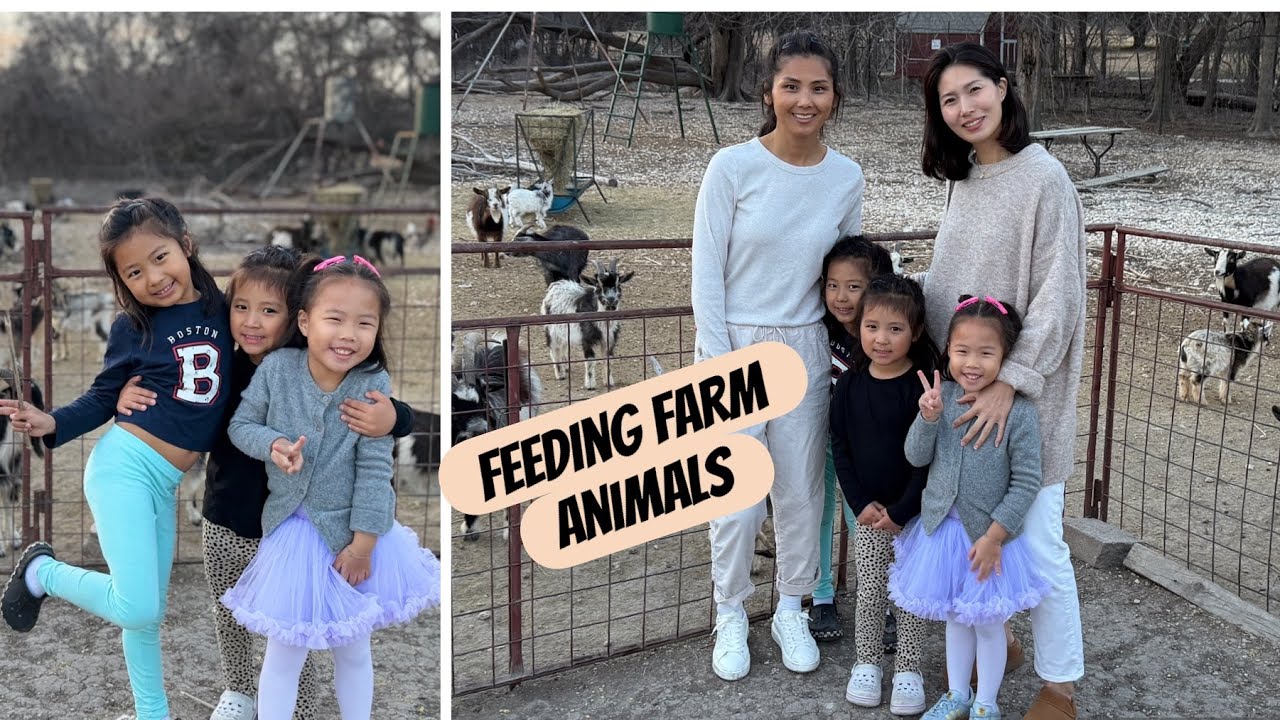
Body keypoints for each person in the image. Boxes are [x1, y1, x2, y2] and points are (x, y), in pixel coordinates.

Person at [113, 245, 417, 720]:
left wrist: (397, 415)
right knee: (231, 612)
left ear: (295, 318)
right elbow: (173, 383)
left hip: (293, 530)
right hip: (229, 516)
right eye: (241, 307)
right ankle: (238, 690)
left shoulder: (328, 369)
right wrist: (122, 390)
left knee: (299, 633)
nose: (252, 322)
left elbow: (379, 445)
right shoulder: (219, 365)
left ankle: (300, 708)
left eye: (268, 310)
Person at [0, 197, 235, 720]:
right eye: (133, 271)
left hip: (165, 483)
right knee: (139, 604)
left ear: (186, 246)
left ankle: (152, 714)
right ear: (121, 281)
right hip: (123, 469)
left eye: (160, 257)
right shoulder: (134, 329)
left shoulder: (223, 309)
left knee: (146, 615)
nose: (152, 277)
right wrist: (53, 421)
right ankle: (43, 572)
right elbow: (105, 394)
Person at [917, 42, 1088, 720]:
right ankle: (1003, 646)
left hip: (1022, 401)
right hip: (964, 398)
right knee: (971, 534)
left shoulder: (1045, 179)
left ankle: (1060, 684)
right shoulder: (964, 178)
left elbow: (1060, 297)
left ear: (1004, 87)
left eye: (974, 91)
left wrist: (1012, 379)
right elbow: (947, 284)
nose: (964, 108)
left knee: (1038, 539)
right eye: (949, 100)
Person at [692, 28, 864, 681]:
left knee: (799, 493)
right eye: (791, 85)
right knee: (736, 496)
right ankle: (730, 612)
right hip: (737, 343)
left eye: (817, 88)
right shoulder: (732, 168)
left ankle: (791, 604)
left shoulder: (846, 177)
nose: (803, 99)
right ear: (768, 90)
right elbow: (706, 274)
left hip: (808, 347)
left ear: (835, 97)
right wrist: (717, 363)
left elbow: (847, 279)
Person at [222, 254, 439, 720]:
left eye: (365, 323)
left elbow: (375, 470)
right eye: (334, 319)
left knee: (353, 649)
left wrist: (363, 544)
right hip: (290, 536)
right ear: (304, 321)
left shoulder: (372, 383)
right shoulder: (277, 369)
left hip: (350, 539)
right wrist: (274, 444)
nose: (348, 335)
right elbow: (241, 425)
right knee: (284, 655)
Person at [891, 296, 1051, 720]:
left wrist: (995, 537)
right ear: (949, 351)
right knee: (955, 620)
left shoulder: (1019, 413)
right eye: (962, 351)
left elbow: (1027, 481)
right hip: (943, 533)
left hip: (989, 539)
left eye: (986, 353)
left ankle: (986, 704)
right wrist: (927, 419)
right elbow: (915, 457)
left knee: (986, 623)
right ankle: (957, 696)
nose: (972, 363)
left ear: (1005, 357)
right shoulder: (940, 397)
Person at [830, 274, 940, 714]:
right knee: (871, 589)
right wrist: (860, 505)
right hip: (868, 516)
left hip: (913, 515)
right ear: (859, 327)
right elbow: (840, 446)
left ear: (914, 333)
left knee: (911, 595)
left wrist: (903, 509)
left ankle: (909, 670)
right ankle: (867, 663)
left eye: (895, 329)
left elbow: (932, 458)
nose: (882, 338)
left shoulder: (924, 390)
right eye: (872, 326)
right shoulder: (851, 385)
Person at [810, 236, 894, 642]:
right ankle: (821, 595)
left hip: (862, 444)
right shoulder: (815, 327)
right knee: (819, 511)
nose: (841, 297)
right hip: (818, 436)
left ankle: (874, 597)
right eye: (832, 285)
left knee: (861, 515)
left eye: (854, 286)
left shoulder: (877, 338)